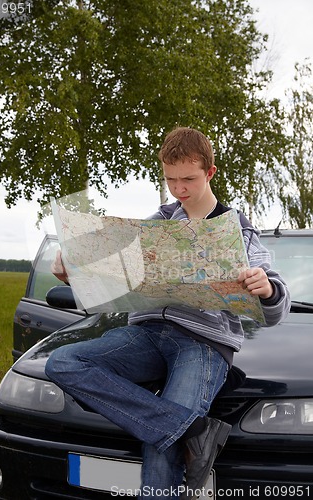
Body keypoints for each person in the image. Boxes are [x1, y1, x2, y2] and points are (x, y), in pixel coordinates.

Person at [45, 127, 290, 500]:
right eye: (171, 180)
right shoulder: (155, 225)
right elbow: (114, 280)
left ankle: (173, 432)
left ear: (210, 173)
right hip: (144, 334)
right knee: (62, 363)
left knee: (161, 450)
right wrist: (73, 270)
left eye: (188, 179)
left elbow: (275, 311)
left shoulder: (236, 229)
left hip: (203, 344)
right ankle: (192, 429)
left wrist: (267, 288)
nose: (179, 189)